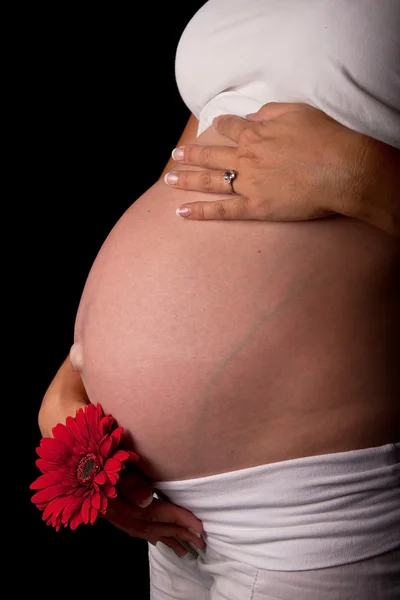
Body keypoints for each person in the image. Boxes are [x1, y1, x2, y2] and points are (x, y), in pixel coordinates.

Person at [38, 1, 400, 598]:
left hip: (308, 507)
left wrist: (365, 175)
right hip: (162, 505)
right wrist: (79, 371)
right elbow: (194, 170)